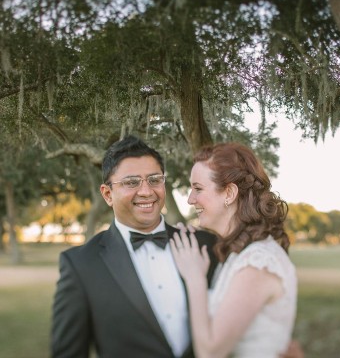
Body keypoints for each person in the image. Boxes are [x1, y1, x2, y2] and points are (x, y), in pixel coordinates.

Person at [51, 135, 218, 358]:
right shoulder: (80, 265)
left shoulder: (204, 244)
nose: (147, 191)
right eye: (131, 182)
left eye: (154, 179)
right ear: (108, 194)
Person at [170, 142, 298, 358]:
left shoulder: (258, 262)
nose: (191, 199)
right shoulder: (237, 254)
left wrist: (195, 278)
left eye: (198, 189)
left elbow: (210, 351)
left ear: (229, 193)